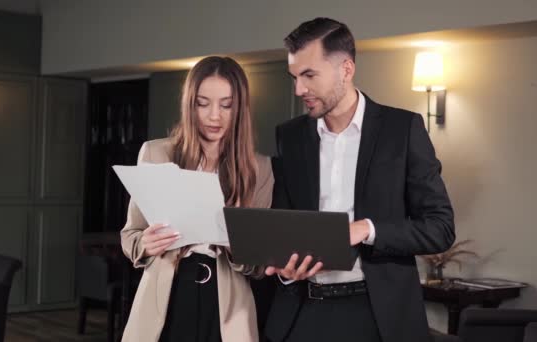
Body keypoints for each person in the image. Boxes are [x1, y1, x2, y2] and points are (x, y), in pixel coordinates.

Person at [263, 18, 455, 342]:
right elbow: (285, 218)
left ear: (346, 69)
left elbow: (440, 228)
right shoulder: (290, 137)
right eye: (295, 77)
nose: (299, 90)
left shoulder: (402, 130)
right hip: (300, 313)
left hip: (377, 316)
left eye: (309, 75)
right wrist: (285, 266)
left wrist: (366, 229)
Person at [120, 56, 273, 342]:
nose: (214, 116)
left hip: (228, 304)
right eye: (203, 103)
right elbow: (130, 235)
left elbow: (259, 265)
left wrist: (235, 243)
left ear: (240, 108)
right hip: (167, 296)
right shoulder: (155, 153)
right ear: (190, 104)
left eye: (226, 105)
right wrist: (146, 243)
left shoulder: (259, 168)